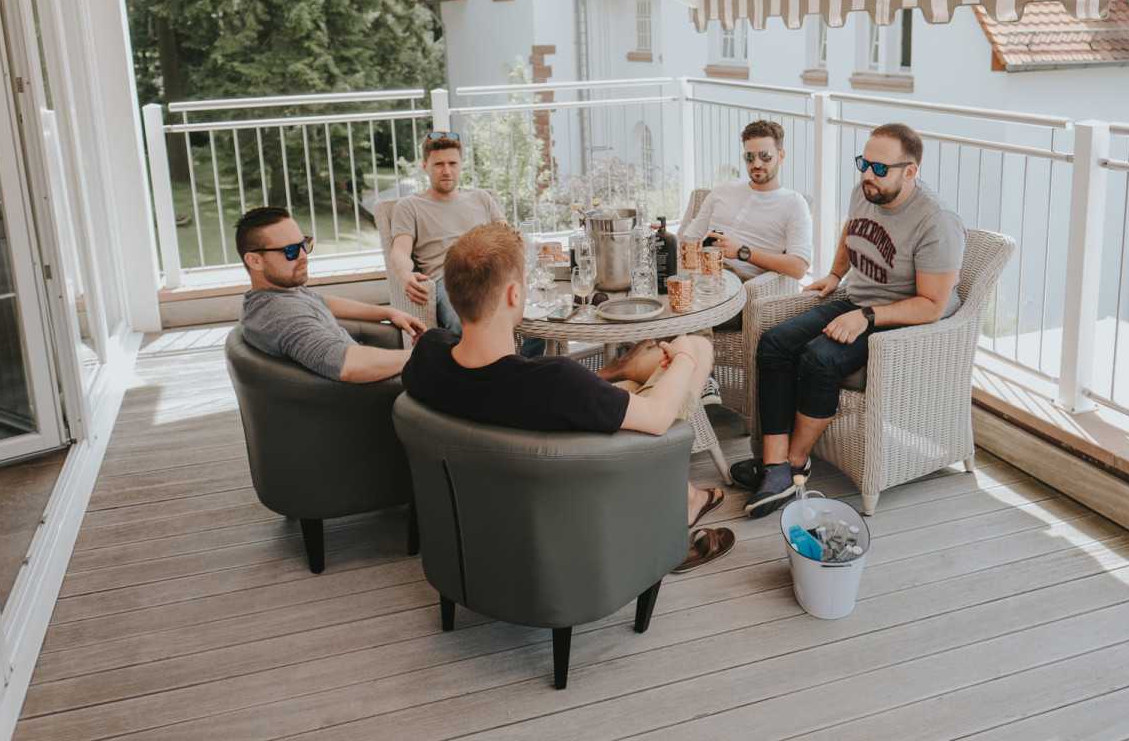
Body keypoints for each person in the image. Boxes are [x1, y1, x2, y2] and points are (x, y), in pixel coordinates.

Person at [402, 222, 735, 571]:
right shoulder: (556, 381)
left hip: (489, 516)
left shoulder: (428, 355)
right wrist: (684, 353)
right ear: (515, 295)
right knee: (698, 345)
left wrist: (607, 373)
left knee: (634, 379)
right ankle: (680, 506)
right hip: (585, 505)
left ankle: (687, 491)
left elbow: (523, 392)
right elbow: (657, 417)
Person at [744, 123, 967, 518]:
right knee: (774, 342)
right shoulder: (867, 190)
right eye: (863, 163)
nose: (867, 174)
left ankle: (794, 465)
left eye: (880, 168)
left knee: (819, 358)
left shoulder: (936, 221)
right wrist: (834, 275)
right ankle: (774, 464)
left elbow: (933, 305)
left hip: (903, 320)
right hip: (858, 300)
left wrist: (867, 317)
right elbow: (852, 229)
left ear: (910, 171)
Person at [679, 118, 813, 442]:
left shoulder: (794, 204)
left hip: (746, 289)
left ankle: (698, 376)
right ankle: (677, 381)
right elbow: (686, 240)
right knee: (662, 295)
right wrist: (696, 259)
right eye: (750, 157)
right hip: (705, 273)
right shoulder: (723, 191)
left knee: (688, 304)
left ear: (781, 156)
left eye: (765, 156)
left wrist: (743, 252)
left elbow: (798, 266)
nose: (757, 164)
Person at [236, 206, 425, 382]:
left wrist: (389, 313)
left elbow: (325, 303)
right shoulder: (280, 313)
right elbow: (346, 366)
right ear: (254, 260)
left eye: (304, 244)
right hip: (375, 395)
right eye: (290, 251)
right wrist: (425, 356)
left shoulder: (282, 290)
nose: (303, 256)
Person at [389, 131, 507, 335]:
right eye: (438, 164)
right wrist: (403, 275)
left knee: (540, 317)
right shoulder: (410, 206)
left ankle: (516, 366)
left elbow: (509, 238)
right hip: (449, 279)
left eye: (452, 163)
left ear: (461, 163)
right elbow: (400, 252)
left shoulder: (481, 197)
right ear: (425, 166)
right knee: (465, 323)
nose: (447, 171)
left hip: (492, 272)